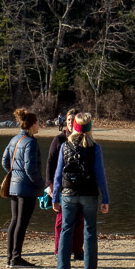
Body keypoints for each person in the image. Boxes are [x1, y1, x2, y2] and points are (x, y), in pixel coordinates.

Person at [52, 112, 110, 269]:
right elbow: (101, 175)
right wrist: (105, 199)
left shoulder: (65, 146)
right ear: (90, 127)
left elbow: (58, 175)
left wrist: (55, 197)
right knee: (90, 231)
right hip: (90, 194)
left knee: (66, 230)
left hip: (69, 194)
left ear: (75, 127)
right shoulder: (95, 148)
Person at [1, 108, 45, 268]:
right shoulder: (31, 142)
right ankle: (16, 257)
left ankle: (10, 257)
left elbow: (5, 162)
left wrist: (15, 176)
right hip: (26, 189)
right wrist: (42, 184)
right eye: (38, 123)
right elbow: (30, 169)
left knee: (14, 221)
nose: (39, 125)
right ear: (32, 125)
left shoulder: (14, 140)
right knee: (22, 222)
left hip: (14, 187)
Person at [46, 108, 84, 259]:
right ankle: (59, 251)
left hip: (80, 186)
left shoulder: (83, 139)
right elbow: (50, 162)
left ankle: (78, 250)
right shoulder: (59, 139)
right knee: (62, 220)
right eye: (68, 120)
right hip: (62, 186)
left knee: (79, 220)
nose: (70, 122)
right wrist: (49, 184)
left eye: (73, 120)